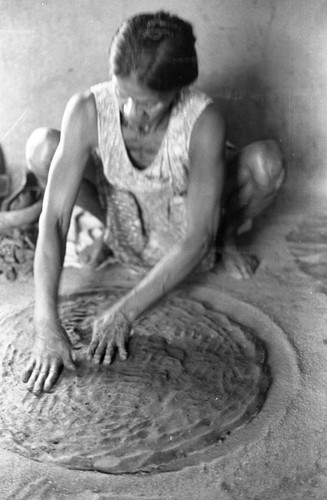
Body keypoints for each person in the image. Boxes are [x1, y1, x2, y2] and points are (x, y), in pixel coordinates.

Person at [22, 11, 285, 395]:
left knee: (268, 162)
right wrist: (45, 322)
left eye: (149, 104)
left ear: (179, 91)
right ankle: (111, 238)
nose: (131, 112)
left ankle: (227, 239)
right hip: (125, 218)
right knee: (41, 145)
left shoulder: (203, 119)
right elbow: (56, 219)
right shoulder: (88, 108)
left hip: (187, 231)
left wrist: (124, 312)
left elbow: (197, 237)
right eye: (122, 95)